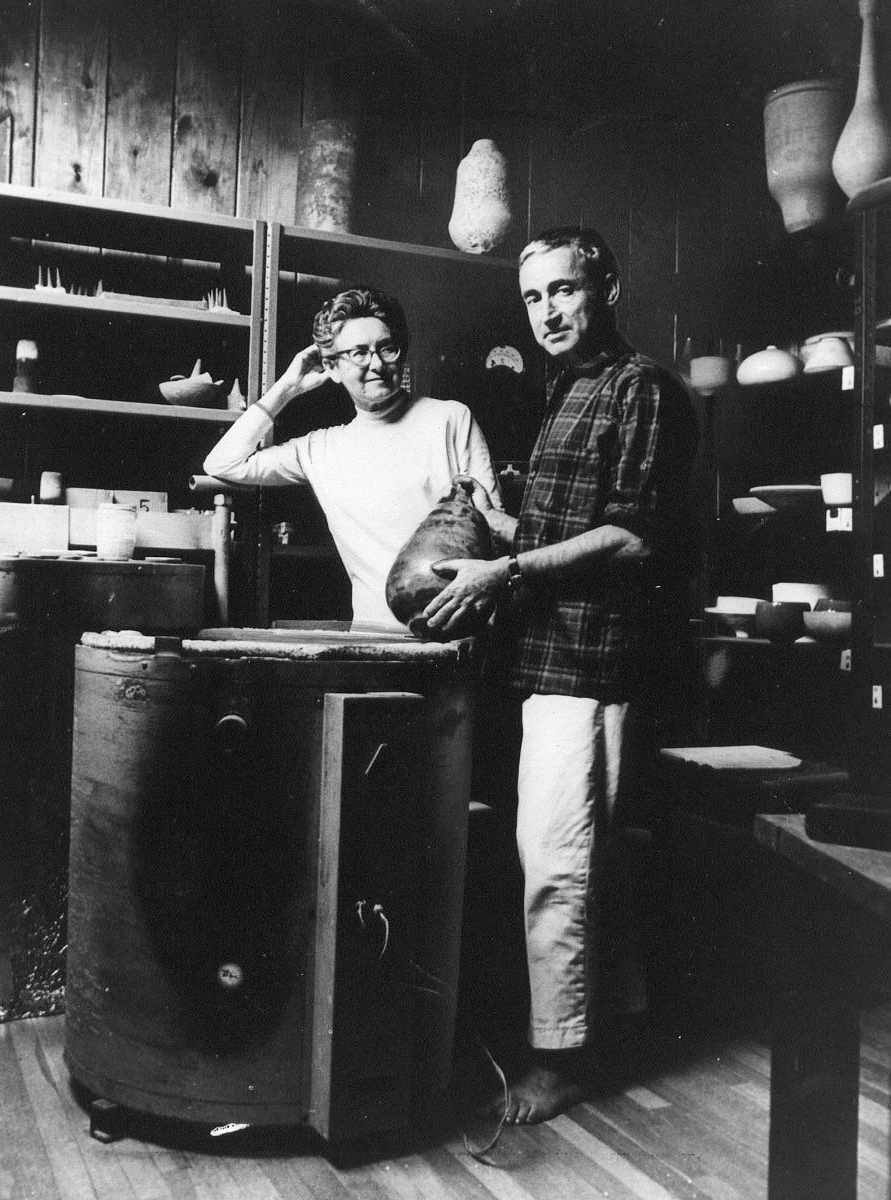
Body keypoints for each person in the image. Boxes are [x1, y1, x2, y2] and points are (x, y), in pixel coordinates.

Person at [422, 227, 699, 1124]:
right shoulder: (566, 389)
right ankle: (613, 1029)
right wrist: (493, 526)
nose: (547, 311)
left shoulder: (639, 387)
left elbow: (633, 537)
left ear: (606, 288)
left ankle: (560, 1060)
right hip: (548, 656)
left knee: (557, 862)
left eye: (564, 290)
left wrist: (504, 570)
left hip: (593, 659)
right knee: (584, 856)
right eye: (533, 297)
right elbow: (565, 535)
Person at [203, 286, 502, 632]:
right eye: (359, 353)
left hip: (459, 635)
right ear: (332, 366)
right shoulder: (319, 449)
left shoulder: (449, 418)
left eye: (387, 348)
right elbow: (223, 463)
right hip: (374, 638)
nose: (376, 364)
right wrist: (287, 386)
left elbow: (495, 530)